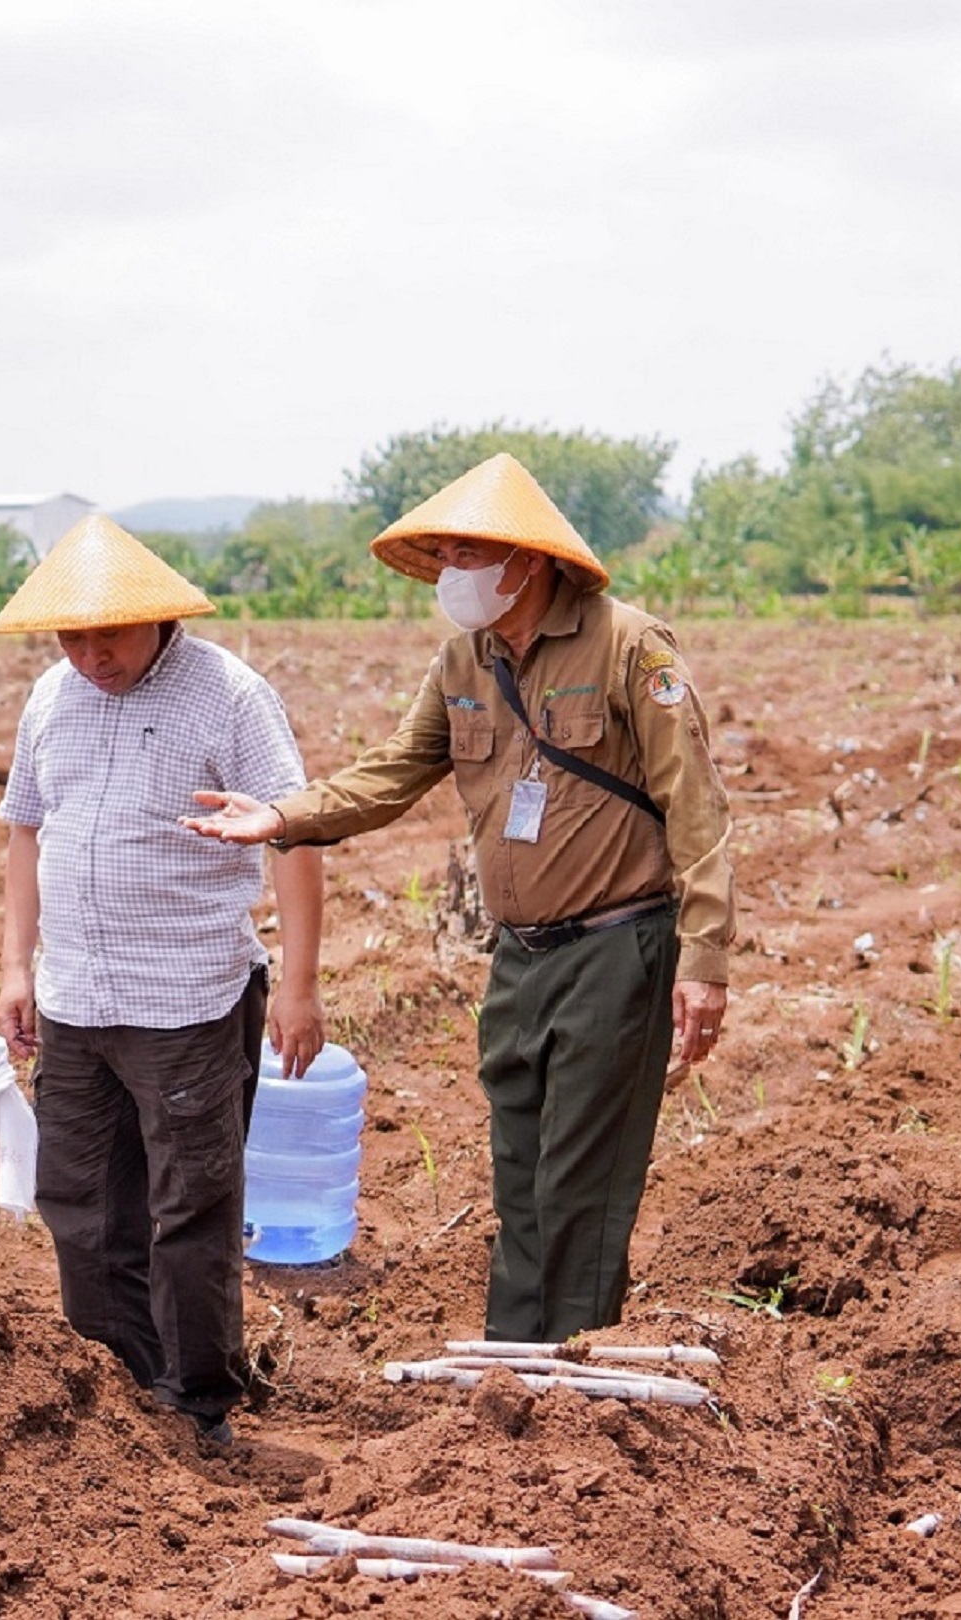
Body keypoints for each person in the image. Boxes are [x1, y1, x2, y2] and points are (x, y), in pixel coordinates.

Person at [186, 452, 733, 1343]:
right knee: (519, 1168)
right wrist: (283, 815)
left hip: (617, 947)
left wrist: (705, 963)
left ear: (529, 561)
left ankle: (573, 1362)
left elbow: (698, 812)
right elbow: (392, 773)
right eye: (444, 556)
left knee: (581, 1177)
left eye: (469, 554)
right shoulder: (462, 663)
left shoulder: (631, 648)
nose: (454, 575)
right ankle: (514, 1357)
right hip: (519, 957)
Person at [0, 514, 324, 1450]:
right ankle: (118, 1385)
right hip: (75, 999)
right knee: (82, 1205)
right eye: (73, 637)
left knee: (190, 1207)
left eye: (111, 635)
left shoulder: (228, 695)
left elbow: (293, 830)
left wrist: (298, 984)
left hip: (188, 998)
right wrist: (18, 964)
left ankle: (199, 1398)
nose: (91, 656)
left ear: (158, 620)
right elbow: (26, 829)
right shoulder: (52, 698)